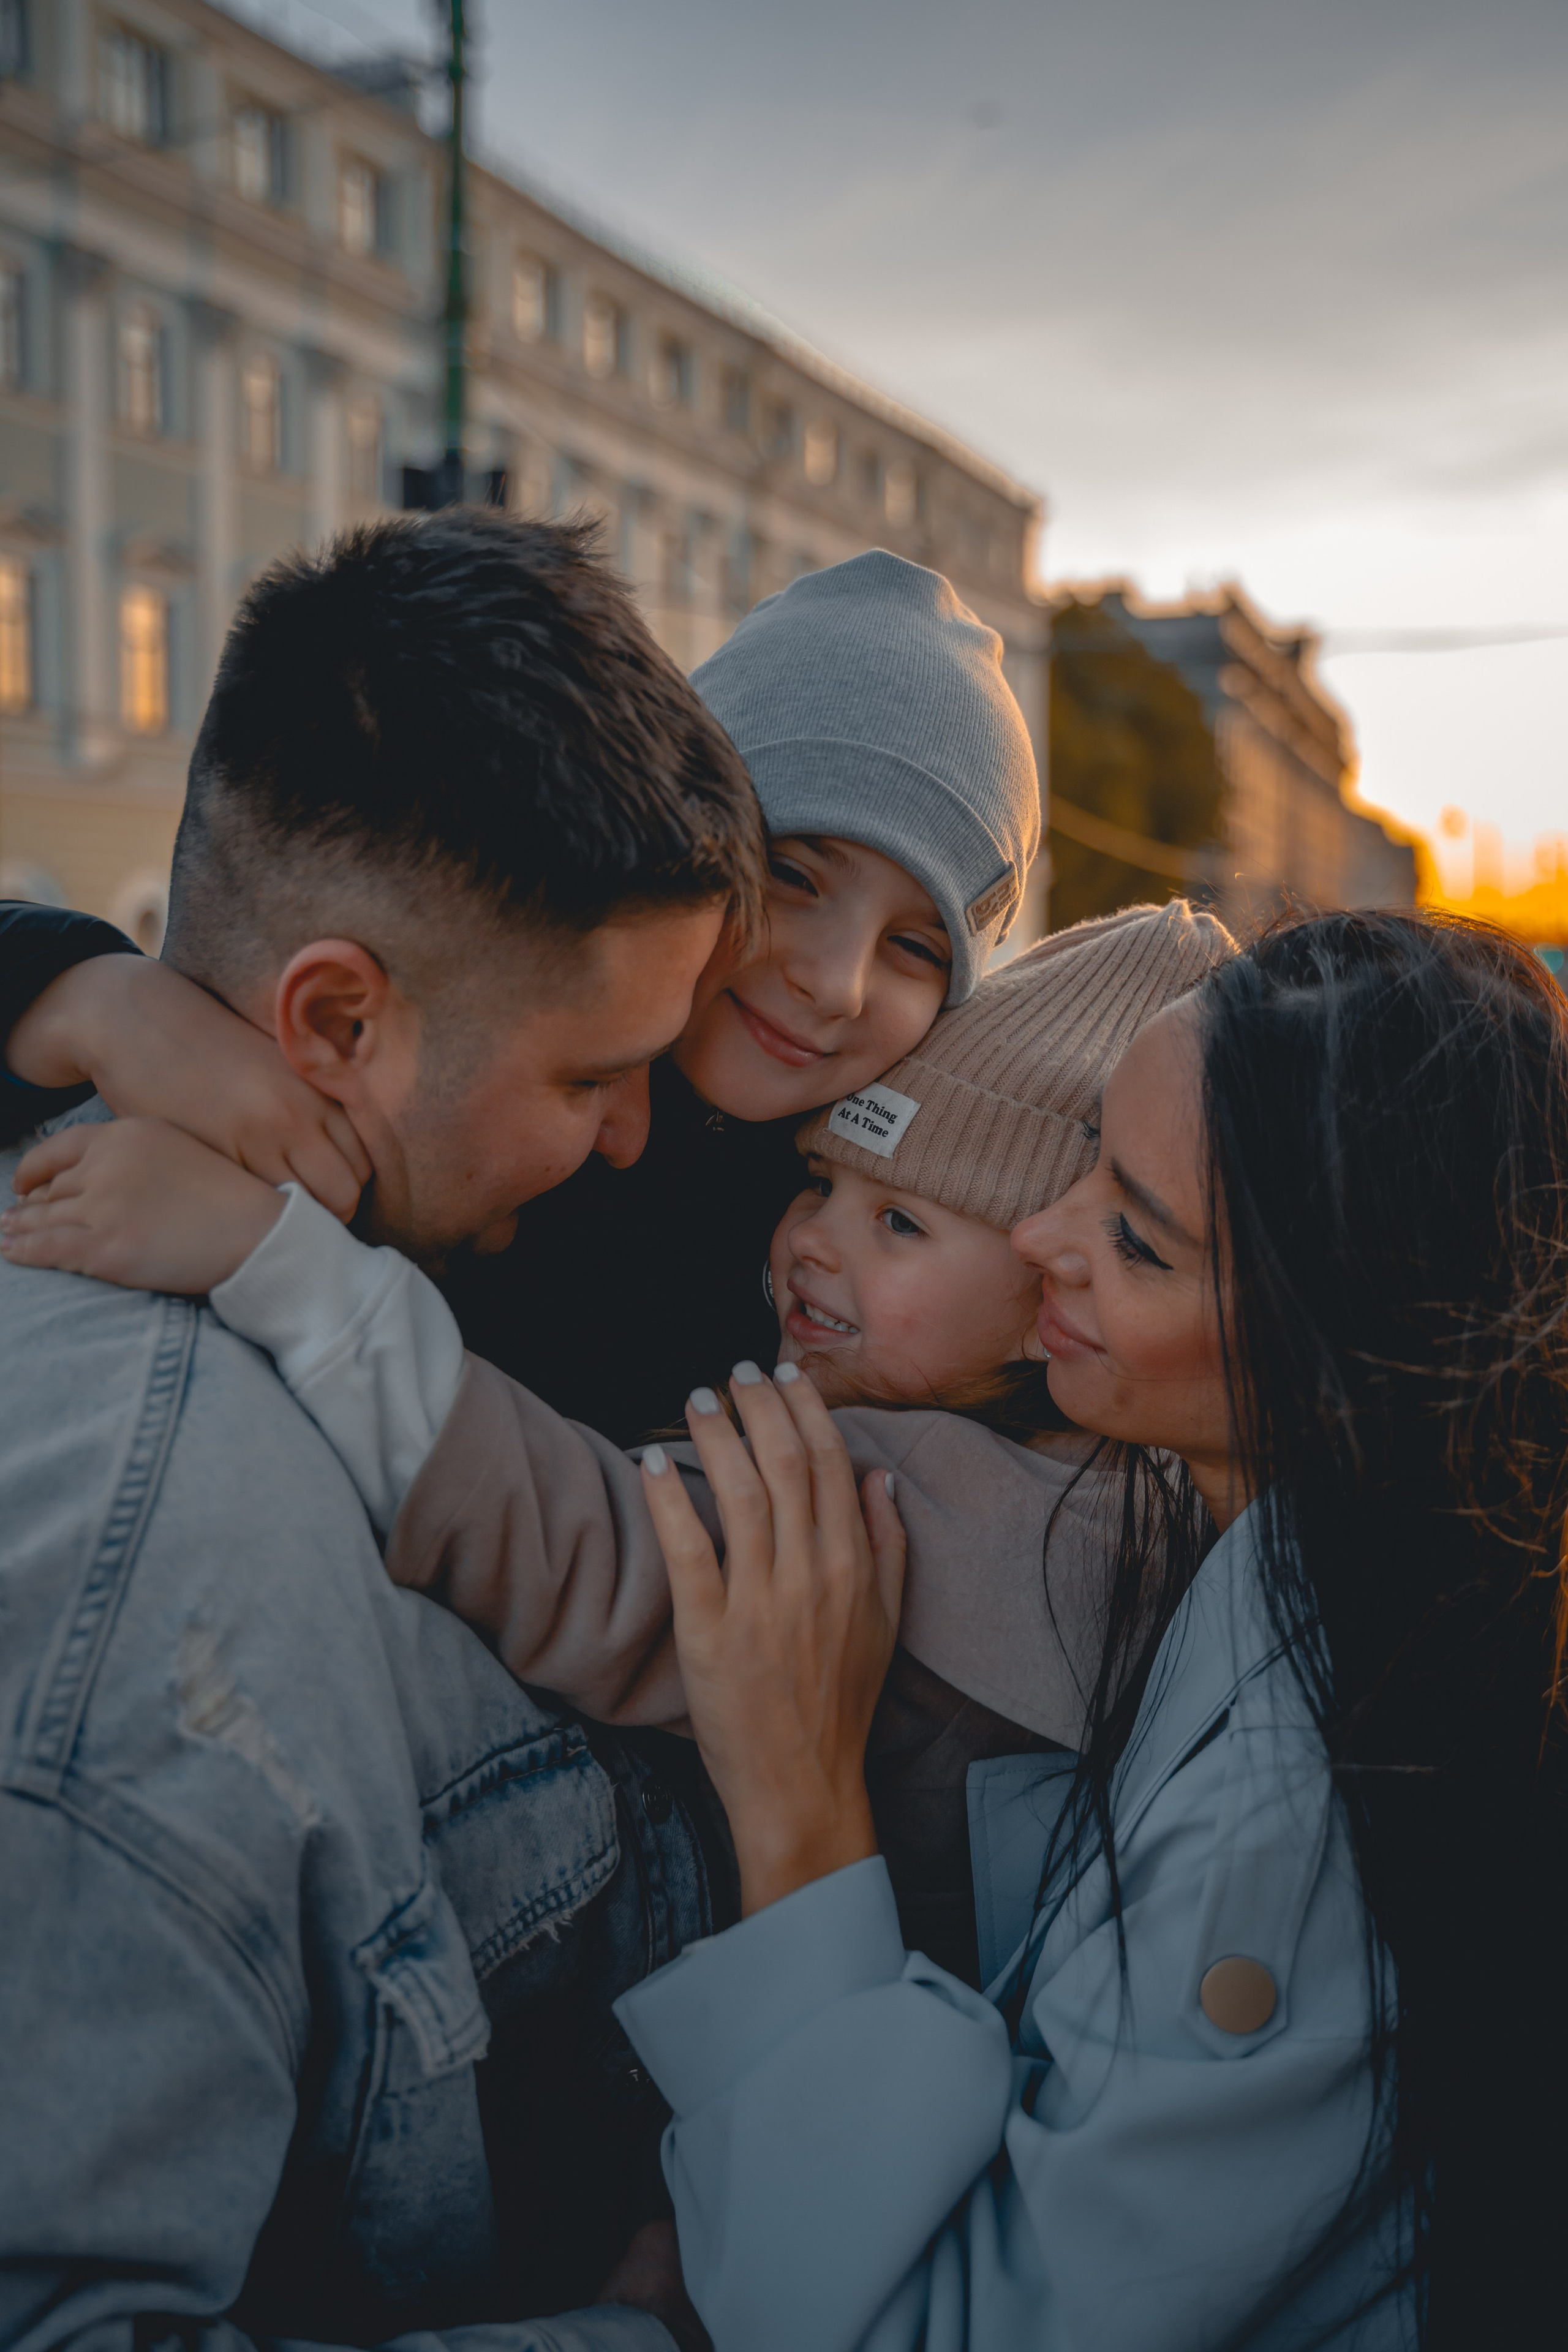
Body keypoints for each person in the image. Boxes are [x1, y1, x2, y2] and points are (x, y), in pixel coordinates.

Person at [0, 508, 772, 2352]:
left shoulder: (322, 1238)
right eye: (595, 1077)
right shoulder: (157, 1573)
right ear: (336, 1017)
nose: (634, 1138)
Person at [607, 910, 1568, 2350]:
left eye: (1132, 1235)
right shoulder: (1341, 1572)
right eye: (1084, 1170)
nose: (1041, 1239)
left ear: (1330, 1347)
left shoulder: (1290, 1824)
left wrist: (799, 1813)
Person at [2, 903, 1231, 1992]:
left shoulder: (926, 1503)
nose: (812, 1241)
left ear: (1047, 1299)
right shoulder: (1072, 1476)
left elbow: (586, 1545)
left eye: (899, 1221)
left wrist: (278, 1263)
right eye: (819, 1185)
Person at [1, 550, 1040, 1442]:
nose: (836, 980)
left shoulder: (896, 1196)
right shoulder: (428, 1050)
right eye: (795, 876)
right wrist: (83, 993)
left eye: (917, 946)